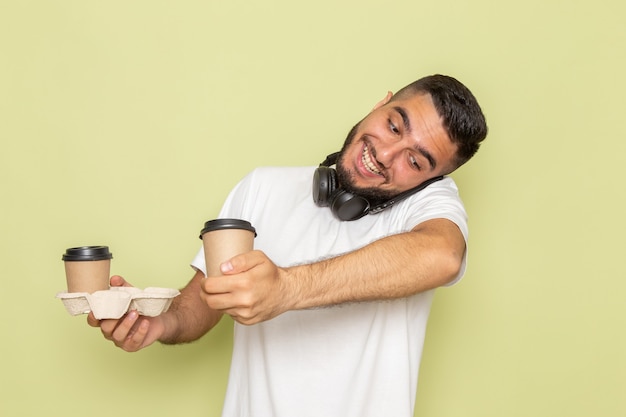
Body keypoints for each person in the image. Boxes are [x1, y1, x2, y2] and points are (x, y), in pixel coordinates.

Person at [88, 74, 488, 417]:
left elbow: (443, 256)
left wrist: (287, 288)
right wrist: (159, 322)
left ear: (432, 179)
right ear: (381, 103)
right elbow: (204, 301)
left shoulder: (429, 206)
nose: (385, 154)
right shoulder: (262, 187)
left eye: (415, 162)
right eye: (394, 126)